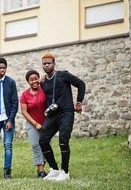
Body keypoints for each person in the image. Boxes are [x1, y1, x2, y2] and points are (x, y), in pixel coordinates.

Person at [39, 53, 86, 181]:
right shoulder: (43, 81)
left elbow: (81, 84)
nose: (47, 65)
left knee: (63, 140)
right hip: (53, 115)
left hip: (66, 112)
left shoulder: (63, 75)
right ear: (42, 65)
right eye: (44, 63)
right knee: (43, 140)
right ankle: (54, 169)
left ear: (54, 64)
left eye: (49, 63)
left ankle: (65, 172)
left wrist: (79, 102)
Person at [20, 70, 47, 178]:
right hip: (32, 123)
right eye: (31, 80)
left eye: (36, 78)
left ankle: (43, 167)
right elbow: (24, 111)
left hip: (46, 123)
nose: (34, 81)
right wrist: (35, 124)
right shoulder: (25, 95)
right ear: (28, 82)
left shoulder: (44, 89)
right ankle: (40, 171)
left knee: (46, 145)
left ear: (38, 78)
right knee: (36, 145)